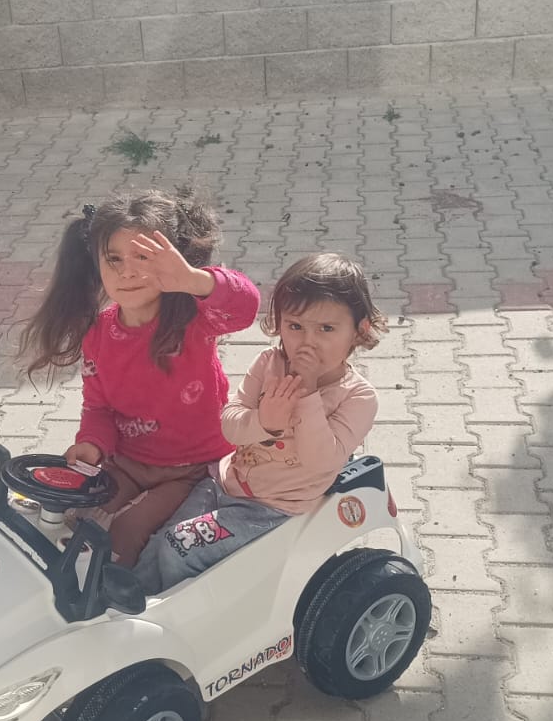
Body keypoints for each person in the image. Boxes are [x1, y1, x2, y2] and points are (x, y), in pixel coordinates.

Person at [17, 187, 260, 567]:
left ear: (172, 258)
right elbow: (98, 407)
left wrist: (193, 280)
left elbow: (245, 306)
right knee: (78, 519)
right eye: (113, 258)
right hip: (126, 463)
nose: (127, 271)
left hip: (193, 470)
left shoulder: (196, 318)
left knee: (126, 533)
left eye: (143, 257)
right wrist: (91, 444)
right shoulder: (99, 333)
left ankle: (122, 601)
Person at [136, 253, 386, 593]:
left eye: (326, 329)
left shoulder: (357, 397)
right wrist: (263, 423)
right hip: (224, 483)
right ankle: (126, 605)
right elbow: (230, 424)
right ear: (279, 324)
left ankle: (183, 617)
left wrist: (308, 393)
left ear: (359, 331)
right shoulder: (269, 363)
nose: (308, 342)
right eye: (295, 326)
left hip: (272, 510)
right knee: (159, 541)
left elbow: (320, 462)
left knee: (180, 546)